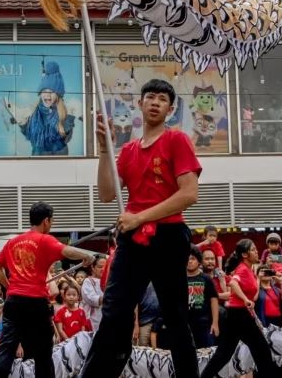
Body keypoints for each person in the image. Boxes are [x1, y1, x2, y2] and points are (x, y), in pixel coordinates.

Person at [80, 79, 203, 378]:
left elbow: (189, 194)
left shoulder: (176, 140)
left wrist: (141, 217)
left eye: (162, 99)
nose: (155, 102)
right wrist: (103, 150)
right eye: (150, 97)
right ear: (140, 103)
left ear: (170, 109)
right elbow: (108, 194)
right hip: (133, 239)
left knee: (175, 317)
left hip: (169, 236)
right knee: (114, 313)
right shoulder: (130, 149)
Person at [0, 202, 93, 378]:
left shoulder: (12, 242)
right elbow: (67, 251)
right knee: (43, 352)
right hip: (35, 302)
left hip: (14, 301)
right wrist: (86, 256)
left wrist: (9, 286)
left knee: (6, 348)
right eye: (51, 221)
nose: (51, 224)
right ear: (46, 221)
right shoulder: (45, 240)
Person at [199, 239, 282, 378]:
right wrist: (244, 299)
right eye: (253, 249)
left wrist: (256, 284)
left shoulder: (250, 270)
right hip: (239, 315)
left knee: (225, 354)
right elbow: (232, 283)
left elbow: (254, 297)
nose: (257, 252)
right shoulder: (242, 269)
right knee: (262, 352)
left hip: (239, 315)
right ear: (244, 254)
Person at [186, 245, 220, 348]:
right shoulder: (178, 279)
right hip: (185, 325)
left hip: (204, 325)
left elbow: (214, 301)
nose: (189, 261)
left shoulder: (206, 279)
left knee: (207, 355)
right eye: (187, 259)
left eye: (193, 259)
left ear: (199, 261)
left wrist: (215, 323)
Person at [80, 255, 106, 331]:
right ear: (93, 267)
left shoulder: (110, 282)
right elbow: (91, 299)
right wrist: (110, 297)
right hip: (93, 321)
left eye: (105, 267)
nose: (103, 269)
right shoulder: (88, 281)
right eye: (100, 267)